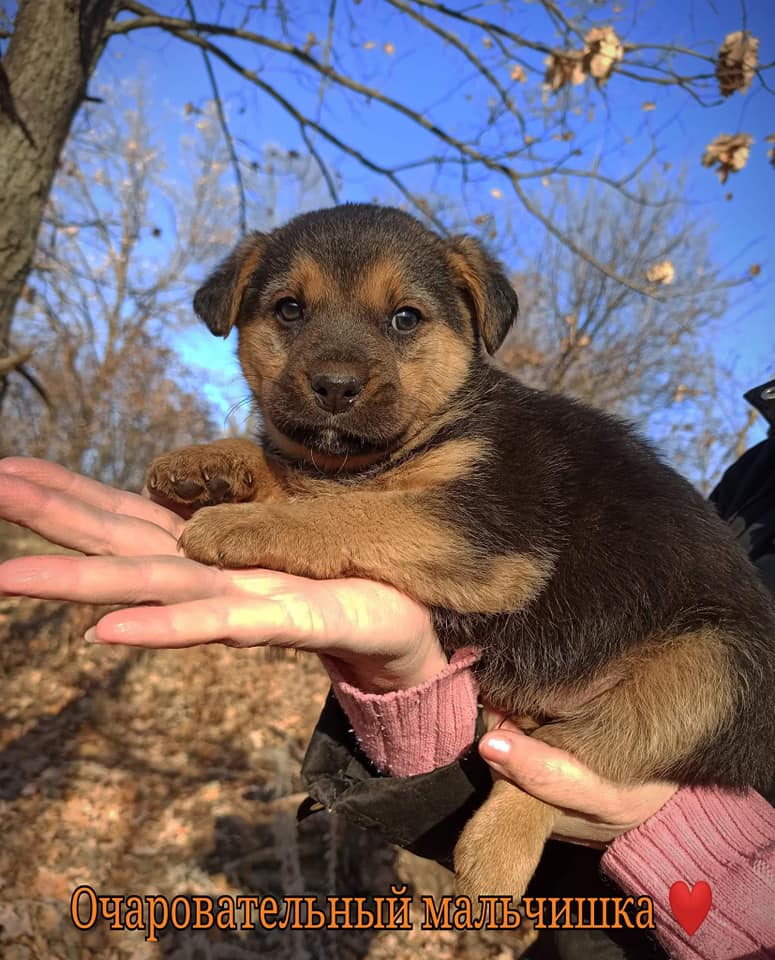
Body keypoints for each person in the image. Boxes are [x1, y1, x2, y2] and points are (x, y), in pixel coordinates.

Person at [0, 379, 773, 958]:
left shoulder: (498, 429)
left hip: (668, 691)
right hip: (558, 756)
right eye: (289, 311)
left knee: (717, 668)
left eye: (405, 319)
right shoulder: (755, 475)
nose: (338, 361)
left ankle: (531, 797)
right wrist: (401, 683)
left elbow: (486, 568)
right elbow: (399, 529)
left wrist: (592, 809)